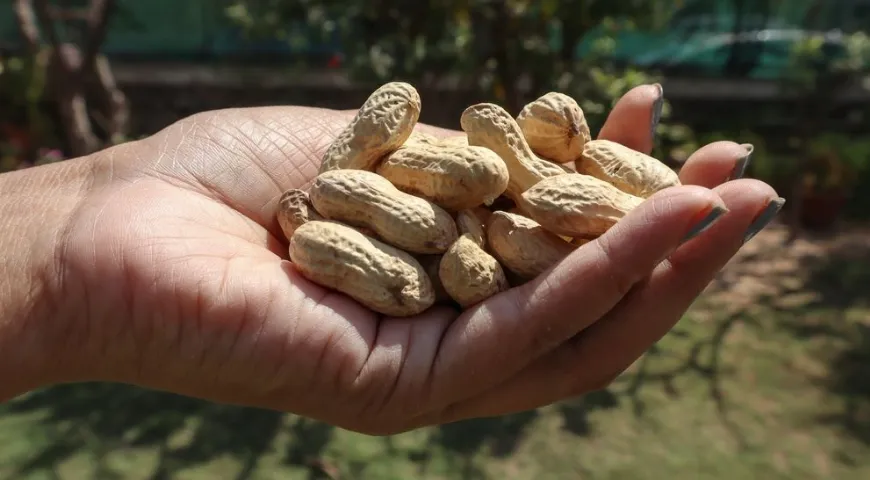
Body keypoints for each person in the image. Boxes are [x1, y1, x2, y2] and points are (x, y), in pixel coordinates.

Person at [0, 85, 783, 435]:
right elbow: (446, 197)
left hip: (445, 226)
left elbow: (493, 185)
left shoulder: (511, 190)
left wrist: (60, 251)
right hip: (397, 227)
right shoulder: (353, 193)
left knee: (490, 193)